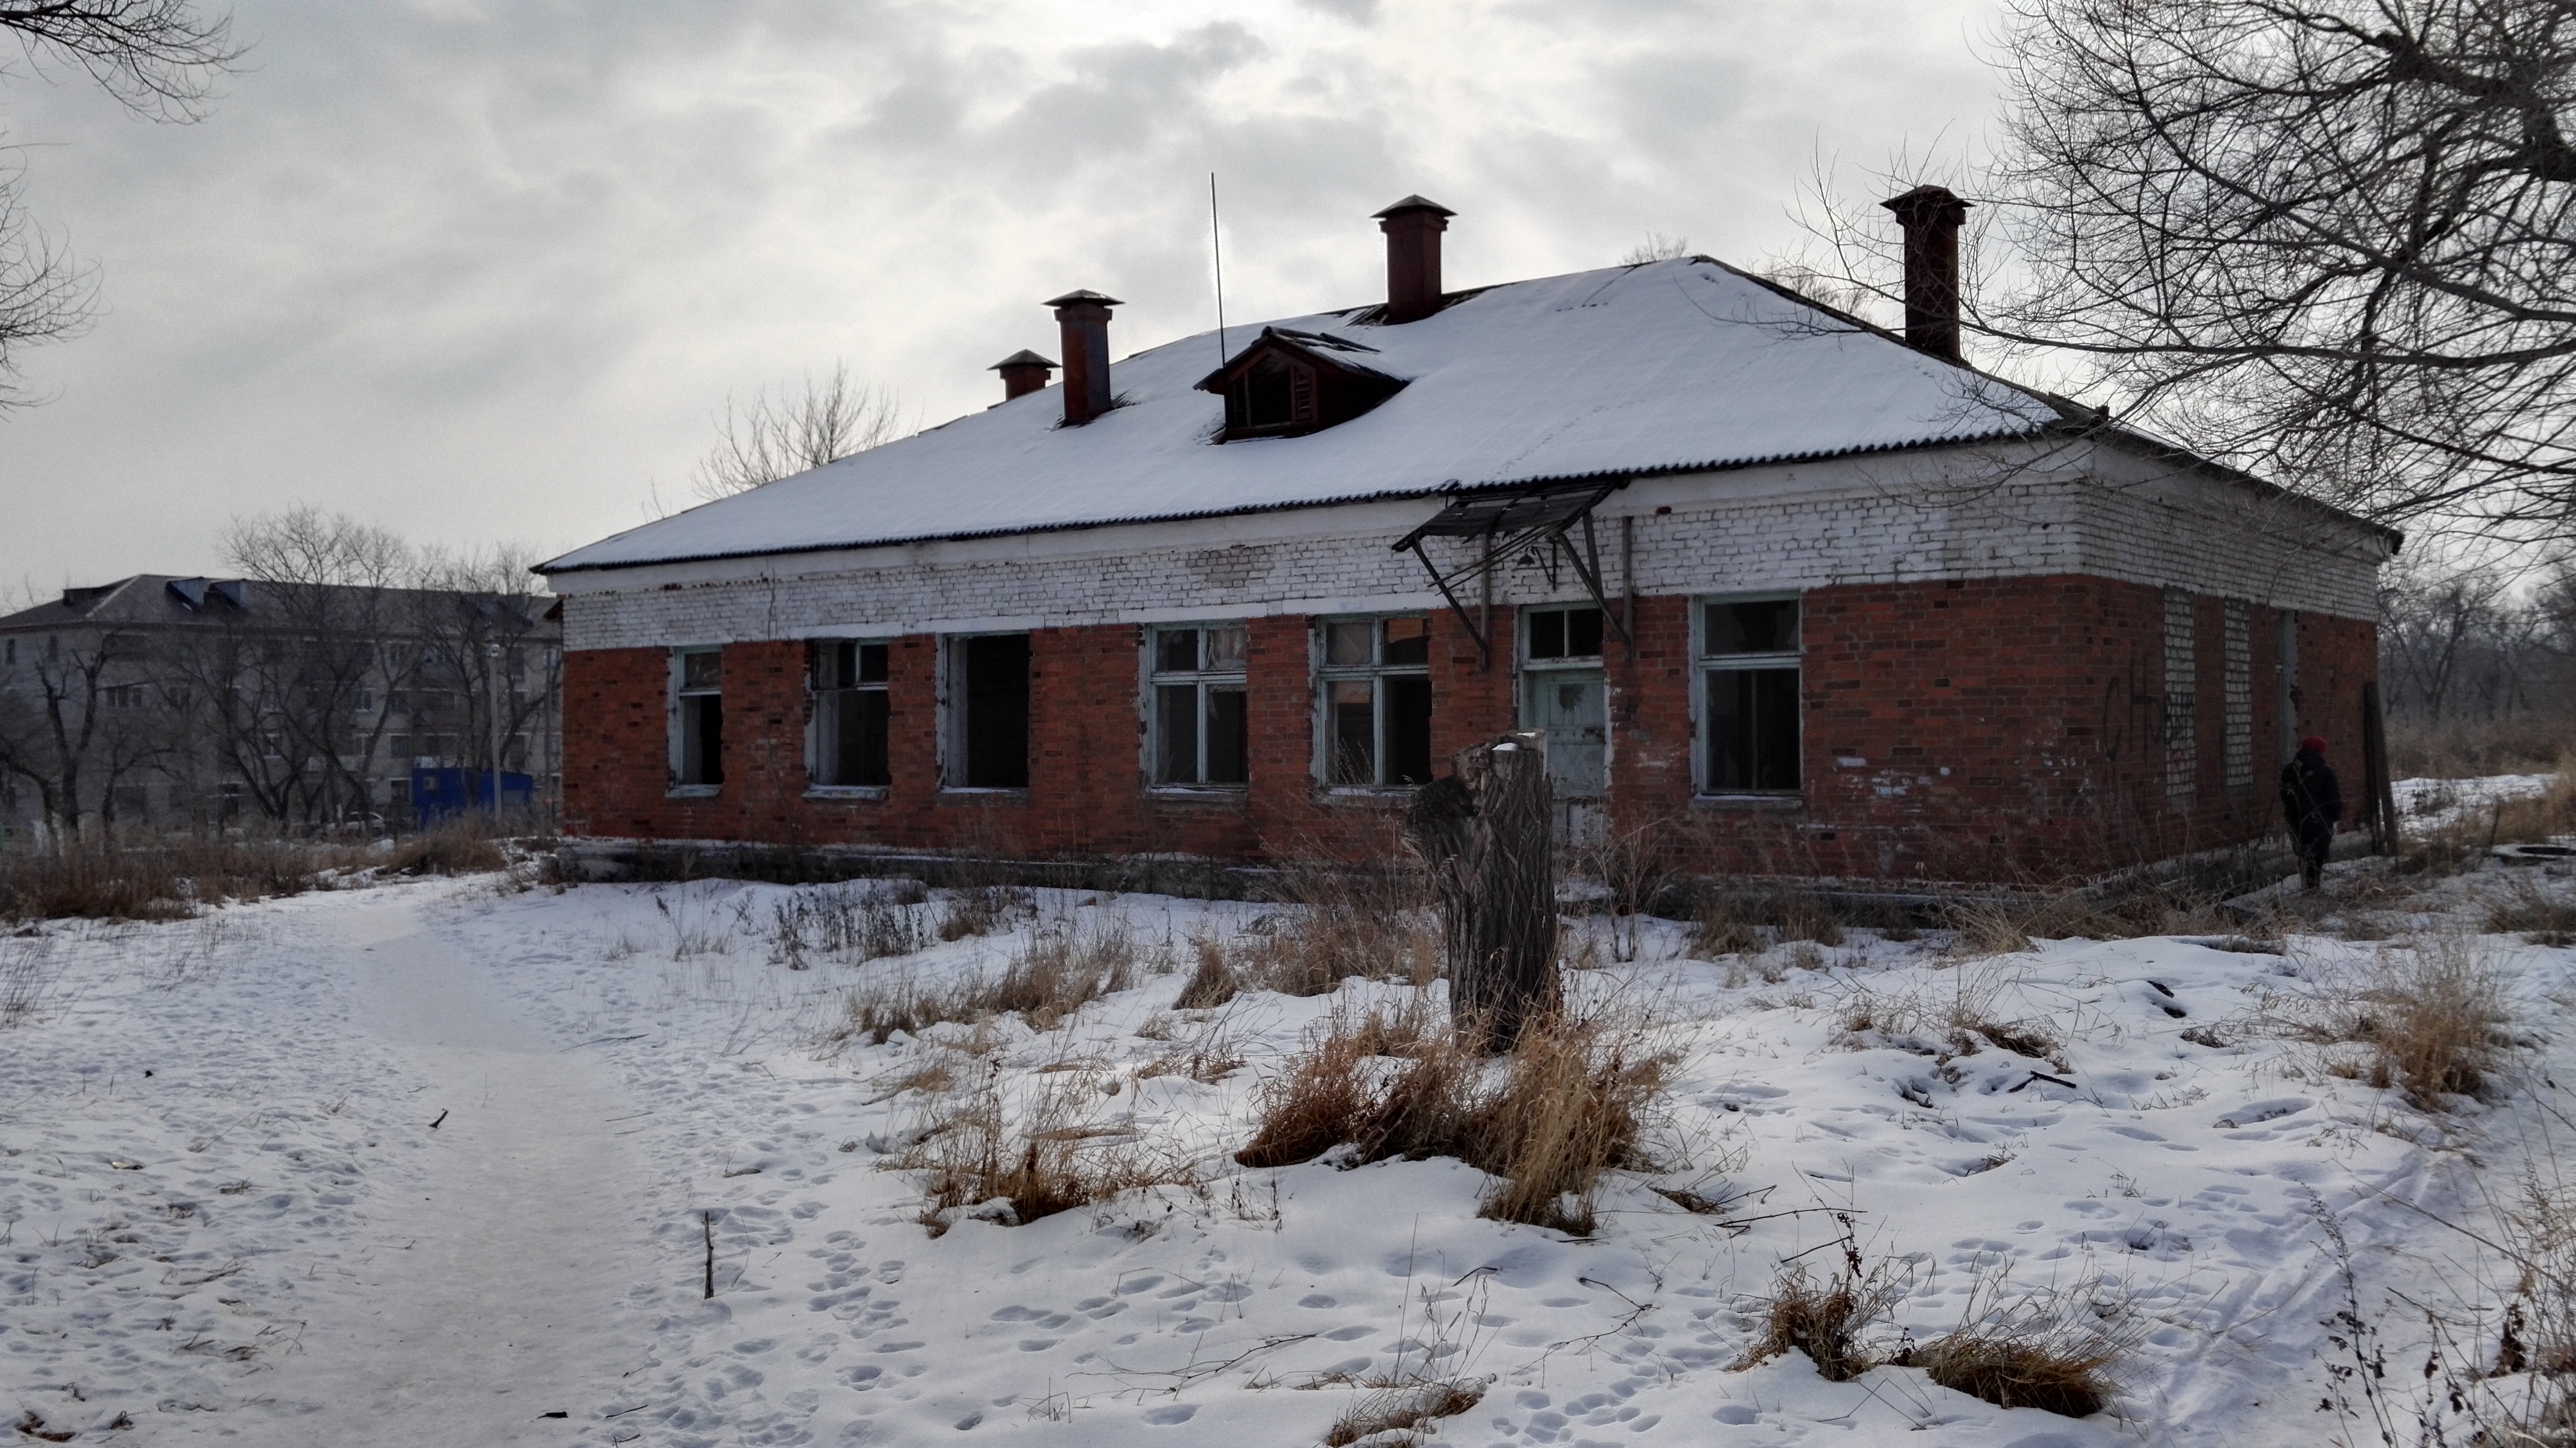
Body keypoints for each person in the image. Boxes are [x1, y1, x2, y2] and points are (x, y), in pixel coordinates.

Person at [2278, 734, 2342, 891]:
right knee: (2317, 857)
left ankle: (2306, 886)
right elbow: (2333, 799)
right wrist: (2335, 817)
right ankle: (2313, 889)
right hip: (2318, 821)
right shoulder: (2325, 771)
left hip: (2295, 819)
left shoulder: (2290, 770)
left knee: (2303, 854)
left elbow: (2285, 795)